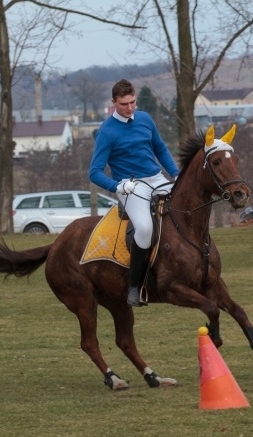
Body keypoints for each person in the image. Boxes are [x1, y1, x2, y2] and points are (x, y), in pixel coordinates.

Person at [89, 78, 180, 307]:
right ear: (113, 102)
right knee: (145, 227)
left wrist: (175, 173)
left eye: (132, 102)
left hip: (157, 178)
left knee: (184, 209)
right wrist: (117, 187)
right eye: (124, 104)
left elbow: (160, 148)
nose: (129, 108)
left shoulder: (145, 119)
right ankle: (135, 286)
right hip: (130, 186)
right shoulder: (106, 132)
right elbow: (94, 172)